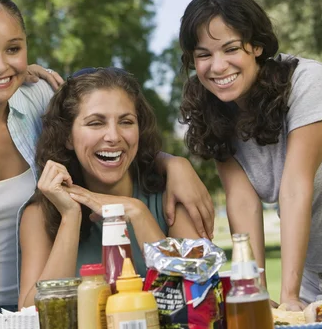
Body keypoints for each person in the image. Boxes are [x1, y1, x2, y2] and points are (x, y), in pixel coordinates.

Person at [0, 0, 213, 329]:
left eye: (13, 49)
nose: (1, 65)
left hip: (14, 309)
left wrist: (174, 163)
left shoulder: (39, 97)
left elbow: (105, 122)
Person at [177, 0, 322, 310]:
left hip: (304, 285)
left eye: (230, 48)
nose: (218, 66)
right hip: (316, 278)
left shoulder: (308, 82)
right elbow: (242, 203)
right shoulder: (215, 111)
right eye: (204, 55)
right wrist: (258, 294)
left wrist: (288, 295)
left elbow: (295, 187)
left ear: (257, 46)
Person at [17, 67, 201, 307]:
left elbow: (198, 297)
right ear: (68, 136)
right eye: (95, 123)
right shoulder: (40, 213)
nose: (113, 136)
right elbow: (31, 314)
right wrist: (70, 217)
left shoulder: (170, 197)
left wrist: (138, 213)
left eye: (126, 121)